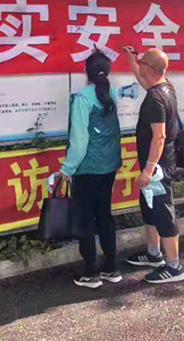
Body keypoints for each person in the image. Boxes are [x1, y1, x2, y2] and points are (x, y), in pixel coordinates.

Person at [59, 51, 122, 289]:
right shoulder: (111, 93)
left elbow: (79, 140)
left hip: (87, 168)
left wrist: (67, 168)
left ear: (86, 72)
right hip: (109, 165)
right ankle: (111, 268)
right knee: (104, 215)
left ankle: (90, 273)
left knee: (85, 219)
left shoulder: (82, 98)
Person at [123, 46, 184, 284]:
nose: (139, 64)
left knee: (163, 210)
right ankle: (153, 253)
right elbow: (144, 80)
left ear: (149, 68)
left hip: (158, 167)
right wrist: (132, 61)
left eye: (142, 62)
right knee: (149, 207)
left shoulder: (155, 99)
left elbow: (159, 137)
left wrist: (148, 170)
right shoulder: (165, 86)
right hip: (155, 163)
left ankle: (174, 266)